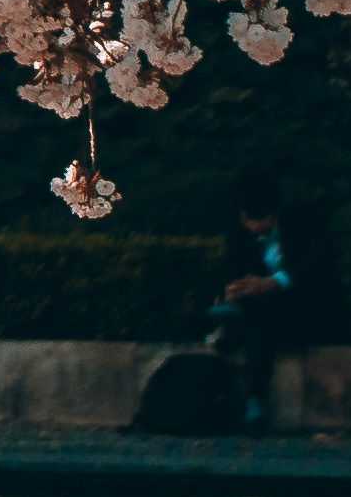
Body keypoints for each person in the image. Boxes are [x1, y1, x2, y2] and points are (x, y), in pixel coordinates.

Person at [136, 184, 317, 436]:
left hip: (299, 309)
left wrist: (274, 282)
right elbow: (234, 270)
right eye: (246, 220)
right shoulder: (240, 233)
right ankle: (255, 403)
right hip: (258, 310)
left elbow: (316, 270)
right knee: (260, 317)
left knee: (264, 312)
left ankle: (224, 322)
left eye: (255, 221)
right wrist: (233, 289)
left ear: (273, 216)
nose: (250, 227)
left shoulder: (302, 226)